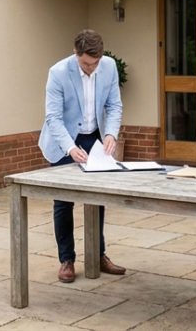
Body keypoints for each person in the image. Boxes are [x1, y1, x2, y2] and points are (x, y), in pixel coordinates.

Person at [37, 29, 127, 283]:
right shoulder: (58, 72)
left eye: (95, 62)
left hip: (93, 136)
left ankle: (98, 254)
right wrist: (69, 148)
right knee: (64, 201)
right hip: (63, 139)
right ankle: (67, 259)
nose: (91, 68)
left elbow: (114, 105)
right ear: (76, 55)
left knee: (97, 198)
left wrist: (110, 133)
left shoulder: (108, 67)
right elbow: (53, 118)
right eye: (87, 63)